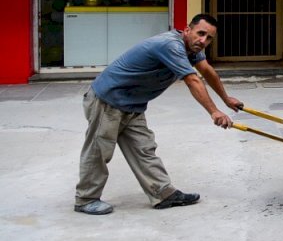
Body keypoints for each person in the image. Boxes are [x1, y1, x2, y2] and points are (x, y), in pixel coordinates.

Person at [73, 13, 242, 215]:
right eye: (200, 34)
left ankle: (163, 194)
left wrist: (226, 99)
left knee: (144, 149)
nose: (203, 41)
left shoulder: (192, 49)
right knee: (99, 150)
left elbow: (206, 71)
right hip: (108, 100)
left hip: (133, 104)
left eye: (209, 38)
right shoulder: (170, 45)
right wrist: (214, 111)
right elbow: (193, 80)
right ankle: (86, 199)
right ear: (187, 30)